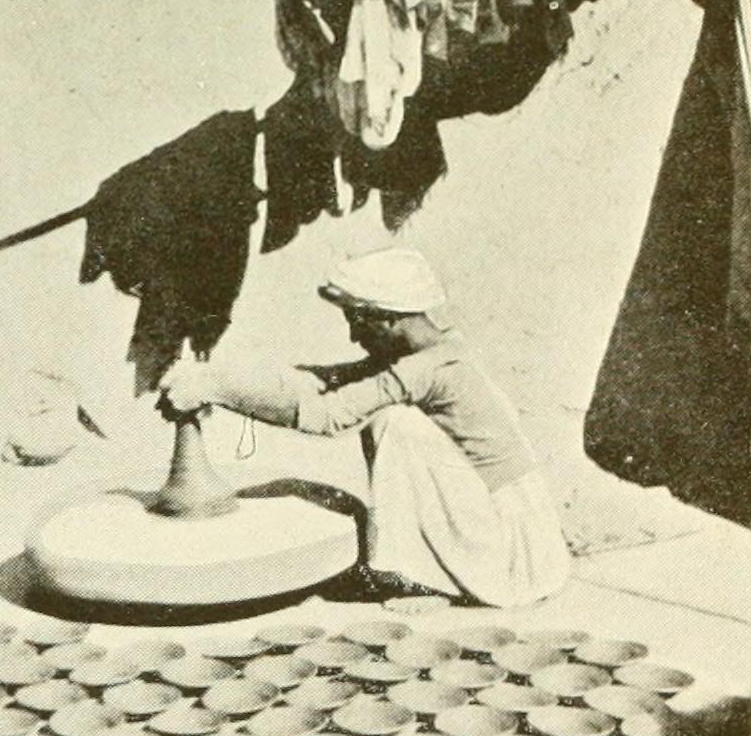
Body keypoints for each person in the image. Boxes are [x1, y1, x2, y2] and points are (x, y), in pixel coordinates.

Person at [159, 245, 571, 608]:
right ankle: (429, 570)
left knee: (395, 423)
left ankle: (423, 579)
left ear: (389, 320)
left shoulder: (428, 368)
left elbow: (329, 417)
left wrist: (219, 390)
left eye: (359, 321)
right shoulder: (433, 350)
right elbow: (317, 382)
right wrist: (217, 375)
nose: (354, 335)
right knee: (392, 419)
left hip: (509, 545)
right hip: (505, 524)